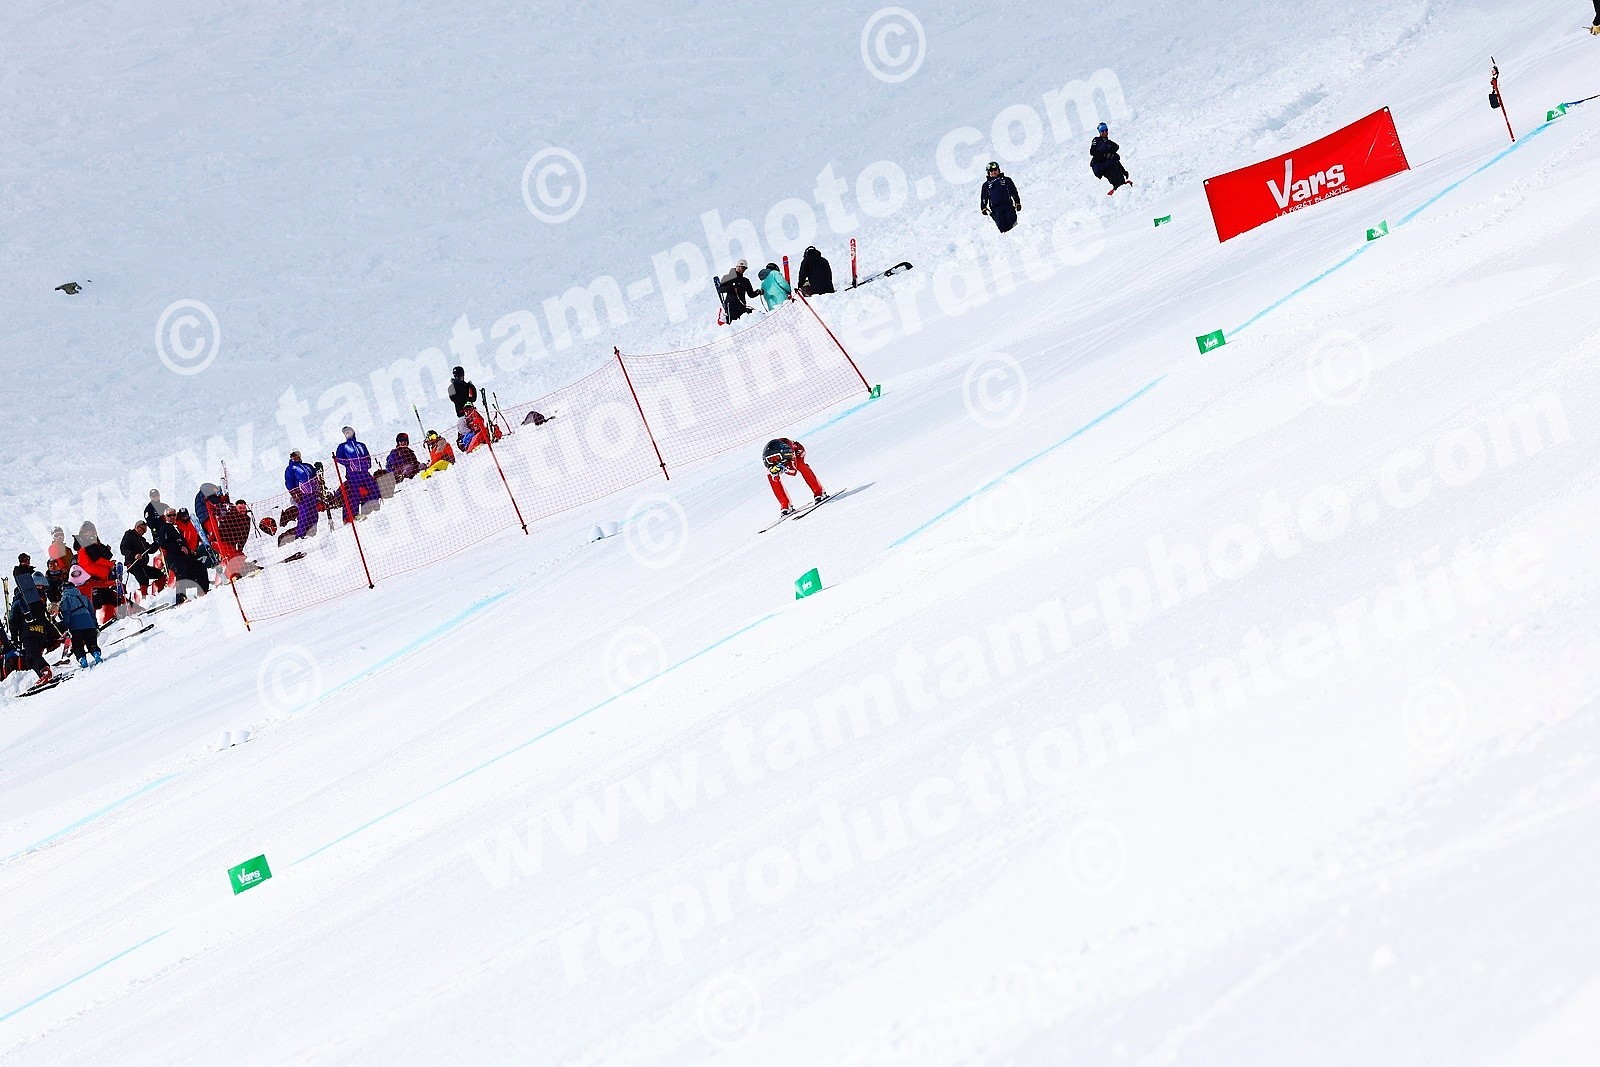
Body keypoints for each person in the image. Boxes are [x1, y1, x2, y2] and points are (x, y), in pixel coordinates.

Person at [9, 555, 57, 685]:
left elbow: (13, 620)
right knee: (35, 654)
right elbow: (44, 618)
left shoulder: (19, 600)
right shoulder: (38, 601)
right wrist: (50, 635)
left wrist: (14, 638)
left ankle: (44, 672)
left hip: (28, 632)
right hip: (40, 632)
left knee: (30, 657)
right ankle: (45, 671)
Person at [155, 506, 209, 602]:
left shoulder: (176, 528)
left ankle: (202, 590)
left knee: (200, 566)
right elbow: (163, 543)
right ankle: (180, 597)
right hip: (174, 558)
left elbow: (183, 542)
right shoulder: (164, 528)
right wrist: (179, 547)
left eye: (174, 515)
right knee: (181, 571)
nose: (172, 517)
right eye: (169, 516)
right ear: (165, 517)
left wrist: (189, 550)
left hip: (184, 557)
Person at [762, 437, 826, 516]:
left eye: (776, 458)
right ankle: (785, 504)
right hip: (784, 457)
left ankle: (819, 492)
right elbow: (774, 476)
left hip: (797, 452)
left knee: (800, 465)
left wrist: (784, 468)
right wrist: (775, 475)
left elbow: (793, 471)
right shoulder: (772, 462)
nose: (775, 461)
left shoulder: (789, 450)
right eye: (771, 460)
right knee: (770, 474)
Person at [74, 521, 121, 625]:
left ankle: (110, 617)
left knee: (108, 597)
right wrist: (110, 564)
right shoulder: (86, 544)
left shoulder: (94, 543)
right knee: (96, 602)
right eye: (85, 532)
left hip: (98, 578)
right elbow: (97, 559)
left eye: (90, 531)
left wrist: (104, 550)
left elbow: (107, 555)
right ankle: (94, 623)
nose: (88, 533)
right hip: (91, 579)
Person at [333, 426, 381, 522]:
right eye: (345, 433)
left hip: (365, 473)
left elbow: (367, 456)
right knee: (354, 494)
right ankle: (351, 516)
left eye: (348, 431)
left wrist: (367, 464)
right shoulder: (343, 446)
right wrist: (349, 463)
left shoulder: (361, 445)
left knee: (374, 488)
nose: (347, 433)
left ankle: (369, 508)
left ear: (353, 432)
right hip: (353, 475)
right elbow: (338, 458)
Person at [57, 582, 103, 668]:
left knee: (77, 645)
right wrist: (95, 626)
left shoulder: (65, 599)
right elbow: (92, 612)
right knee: (92, 643)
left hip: (75, 626)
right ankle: (96, 654)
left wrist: (66, 626)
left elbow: (66, 614)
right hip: (89, 623)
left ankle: (82, 659)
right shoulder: (84, 597)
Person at [120, 520, 166, 598]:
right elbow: (123, 548)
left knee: (160, 574)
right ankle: (143, 598)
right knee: (143, 580)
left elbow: (150, 549)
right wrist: (134, 555)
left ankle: (158, 593)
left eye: (145, 531)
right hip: (134, 564)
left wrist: (157, 543)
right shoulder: (129, 535)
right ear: (138, 527)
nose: (144, 532)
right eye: (143, 530)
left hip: (142, 565)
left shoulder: (142, 540)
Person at [284, 451, 320, 539]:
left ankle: (312, 532)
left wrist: (318, 472)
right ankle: (300, 535)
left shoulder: (307, 466)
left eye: (297, 455)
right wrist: (294, 494)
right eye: (293, 456)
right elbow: (289, 483)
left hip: (312, 493)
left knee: (314, 512)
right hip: (302, 495)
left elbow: (315, 476)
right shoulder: (290, 469)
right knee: (304, 514)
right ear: (291, 457)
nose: (296, 457)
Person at [980, 162, 1021, 233]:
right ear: (988, 172)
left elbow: (1014, 192)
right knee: (1002, 227)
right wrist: (983, 207)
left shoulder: (1007, 180)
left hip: (1008, 206)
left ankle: (1017, 235)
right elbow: (984, 197)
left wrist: (1017, 202)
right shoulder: (986, 185)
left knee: (1013, 224)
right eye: (991, 171)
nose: (993, 172)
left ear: (998, 170)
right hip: (996, 209)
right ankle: (1005, 238)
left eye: (995, 170)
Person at [1090, 123, 1131, 194]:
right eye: (1102, 131)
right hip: (1100, 166)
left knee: (1115, 162)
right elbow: (1092, 152)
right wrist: (1105, 155)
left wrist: (1124, 171)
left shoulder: (1110, 144)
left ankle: (1122, 188)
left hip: (1109, 164)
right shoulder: (1096, 140)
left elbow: (1116, 160)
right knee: (1116, 180)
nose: (1105, 132)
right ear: (1099, 132)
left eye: (1106, 130)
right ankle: (1117, 190)